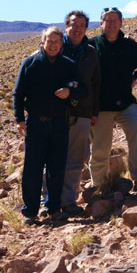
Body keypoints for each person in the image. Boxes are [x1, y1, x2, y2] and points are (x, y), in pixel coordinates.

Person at [13, 27, 86, 224]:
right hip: (35, 123)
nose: (53, 45)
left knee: (56, 167)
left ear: (62, 44)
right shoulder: (30, 64)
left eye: (57, 42)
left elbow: (83, 89)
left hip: (60, 123)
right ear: (43, 43)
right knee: (32, 168)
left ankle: (53, 208)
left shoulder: (68, 65)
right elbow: (18, 94)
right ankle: (30, 211)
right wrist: (19, 119)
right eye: (49, 41)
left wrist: (69, 92)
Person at [90, 7, 137, 195]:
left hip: (126, 103)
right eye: (107, 21)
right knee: (100, 148)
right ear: (101, 23)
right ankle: (99, 186)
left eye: (115, 20)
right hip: (101, 106)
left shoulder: (129, 46)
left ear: (121, 23)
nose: (111, 24)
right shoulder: (92, 46)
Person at [59, 11, 100, 216]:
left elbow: (95, 84)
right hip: (56, 113)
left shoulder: (91, 52)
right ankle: (48, 201)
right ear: (66, 26)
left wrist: (94, 112)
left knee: (75, 160)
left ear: (86, 28)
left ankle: (68, 201)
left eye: (82, 25)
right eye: (73, 25)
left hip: (82, 113)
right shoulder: (55, 47)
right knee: (53, 157)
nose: (77, 29)